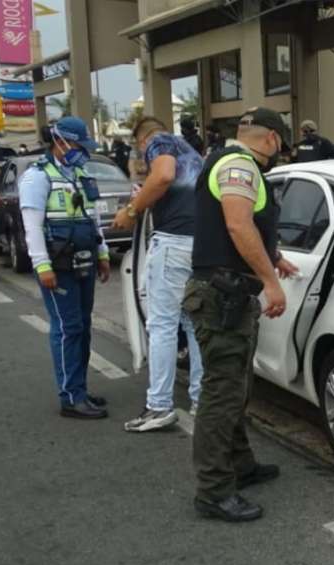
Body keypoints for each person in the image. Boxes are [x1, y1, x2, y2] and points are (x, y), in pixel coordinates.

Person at [187, 107, 299, 522]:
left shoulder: (224, 160)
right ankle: (214, 491)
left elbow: (240, 225)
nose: (280, 152)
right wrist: (270, 280)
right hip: (222, 293)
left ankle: (240, 464)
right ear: (271, 137)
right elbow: (237, 225)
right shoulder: (240, 166)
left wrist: (274, 257)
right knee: (222, 392)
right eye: (281, 144)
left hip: (225, 290)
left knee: (236, 384)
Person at [111, 116, 205, 432]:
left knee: (163, 324)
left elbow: (163, 175)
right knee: (192, 324)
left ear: (141, 139)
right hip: (199, 243)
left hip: (173, 243)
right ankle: (201, 400)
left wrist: (132, 209)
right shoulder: (191, 152)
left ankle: (159, 405)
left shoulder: (159, 143)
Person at [18, 118, 112, 419]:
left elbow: (93, 218)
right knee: (68, 328)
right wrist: (41, 265)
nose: (81, 151)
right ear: (59, 141)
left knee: (83, 327)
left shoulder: (80, 173)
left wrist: (103, 253)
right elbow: (31, 227)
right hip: (57, 266)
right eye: (77, 145)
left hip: (83, 259)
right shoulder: (37, 177)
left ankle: (79, 389)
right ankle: (71, 398)